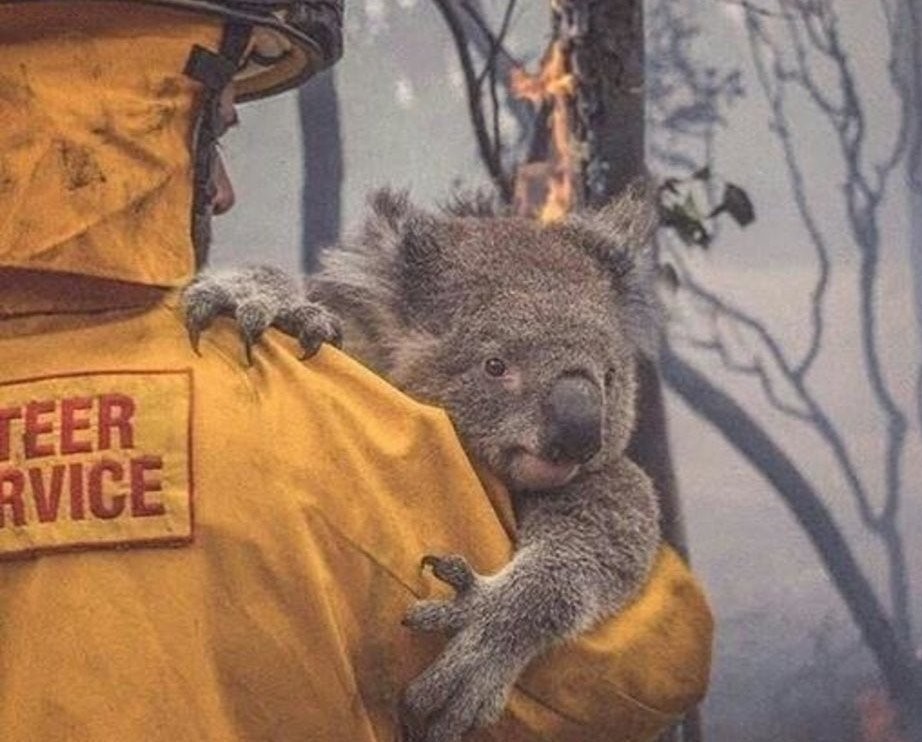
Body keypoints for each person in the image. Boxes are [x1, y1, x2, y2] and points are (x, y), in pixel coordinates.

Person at [0, 2, 713, 740]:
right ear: (124, 127)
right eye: (209, 136)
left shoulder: (262, 360)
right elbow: (648, 669)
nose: (225, 192)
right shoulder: (327, 436)